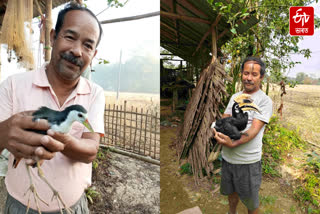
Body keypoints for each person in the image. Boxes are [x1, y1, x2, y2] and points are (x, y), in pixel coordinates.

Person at [0, 2, 105, 213]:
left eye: (87, 45)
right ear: (53, 37)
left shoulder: (95, 94)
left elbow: (91, 150)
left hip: (73, 207)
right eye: (69, 37)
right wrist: (5, 132)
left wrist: (58, 137)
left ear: (93, 55)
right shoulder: (13, 84)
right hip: (21, 206)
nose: (77, 51)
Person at [213, 57, 273, 214]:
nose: (249, 77)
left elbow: (253, 130)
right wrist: (219, 127)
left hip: (248, 162)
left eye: (254, 74)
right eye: (246, 73)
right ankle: (232, 213)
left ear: (261, 77)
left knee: (250, 202)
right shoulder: (235, 97)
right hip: (228, 158)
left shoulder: (264, 101)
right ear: (241, 74)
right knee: (231, 194)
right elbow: (226, 117)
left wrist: (233, 142)